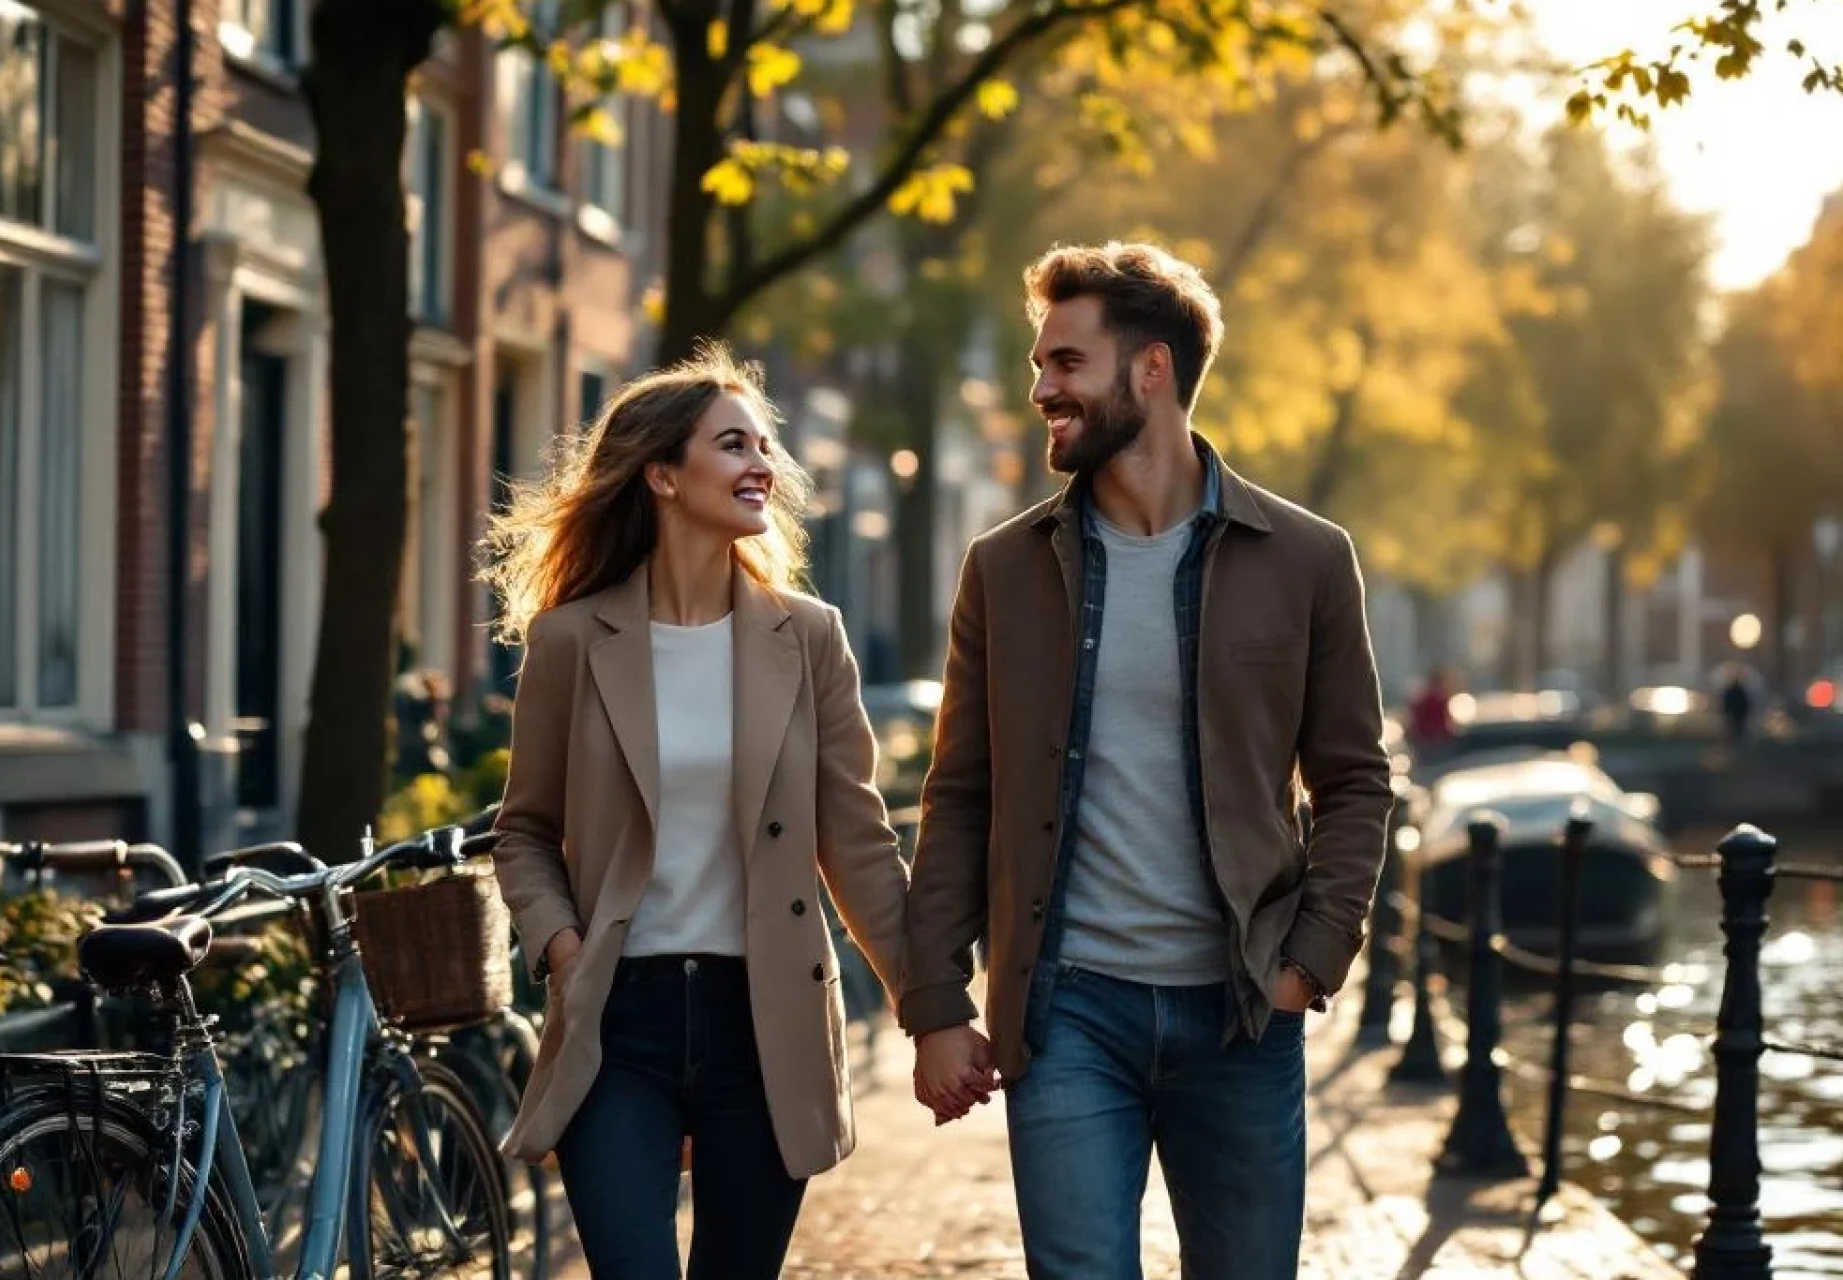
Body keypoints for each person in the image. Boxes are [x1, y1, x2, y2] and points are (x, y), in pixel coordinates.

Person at [900, 242, 1393, 1279]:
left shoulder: (1307, 558)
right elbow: (961, 797)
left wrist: (1309, 960)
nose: (1042, 389)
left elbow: (1354, 780)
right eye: (1041, 363)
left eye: (1067, 362)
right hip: (1067, 1014)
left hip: (1243, 1010)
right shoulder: (1003, 569)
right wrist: (935, 1004)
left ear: (1152, 369)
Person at [482, 345, 909, 1279]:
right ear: (663, 475)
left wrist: (932, 1001)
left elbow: (857, 840)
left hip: (765, 1019)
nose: (763, 464)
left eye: (764, 445)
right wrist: (564, 947)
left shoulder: (809, 636)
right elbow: (524, 830)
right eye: (733, 444)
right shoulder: (571, 640)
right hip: (617, 1019)